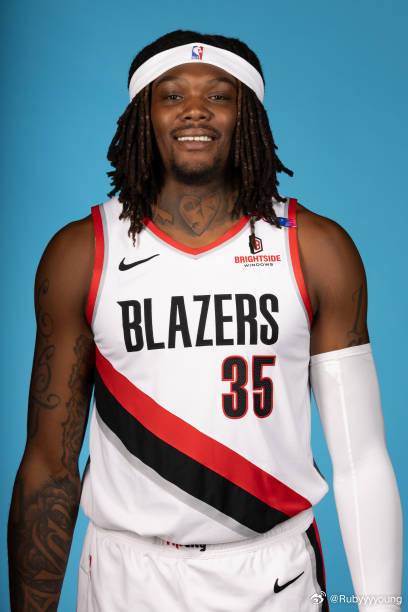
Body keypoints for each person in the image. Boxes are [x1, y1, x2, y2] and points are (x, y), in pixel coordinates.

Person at [8, 30, 402, 612]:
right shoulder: (83, 252)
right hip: (126, 575)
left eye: (219, 95)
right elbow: (50, 465)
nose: (195, 109)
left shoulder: (315, 248)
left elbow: (361, 458)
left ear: (250, 118)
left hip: (273, 572)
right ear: (142, 117)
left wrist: (381, 605)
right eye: (171, 95)